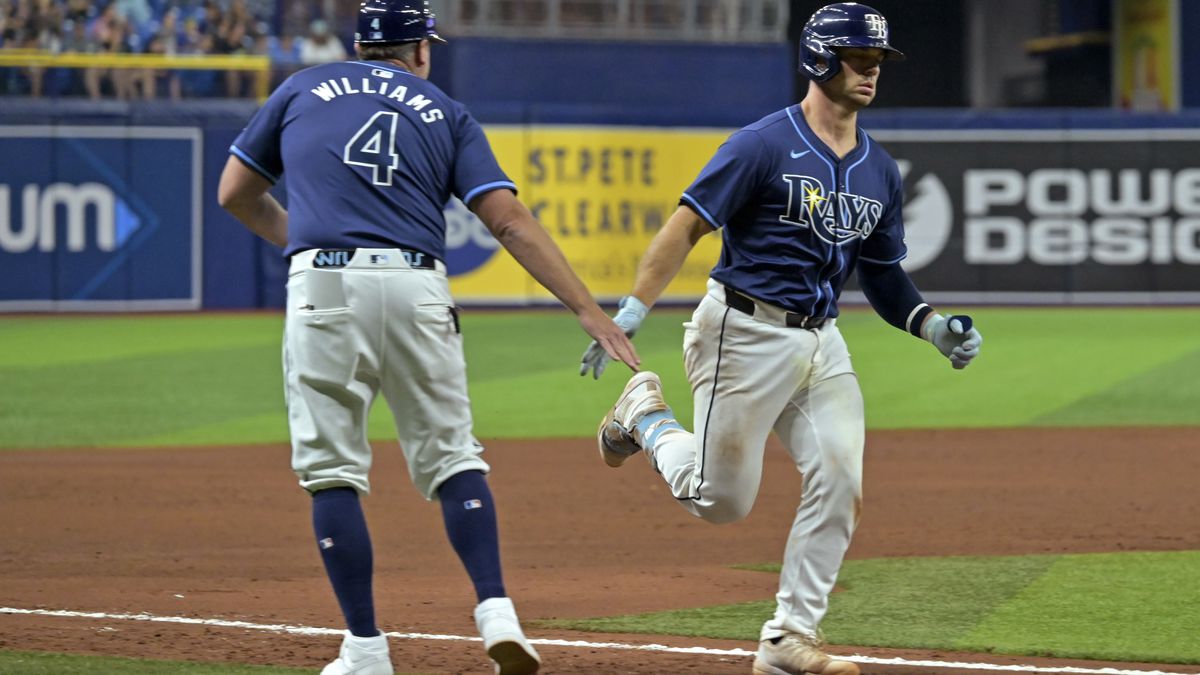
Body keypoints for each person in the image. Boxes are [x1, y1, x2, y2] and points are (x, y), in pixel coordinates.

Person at [217, 1, 639, 673]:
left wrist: (300, 240)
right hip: (417, 283)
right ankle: (497, 609)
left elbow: (235, 191)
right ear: (418, 50)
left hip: (323, 283)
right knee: (452, 458)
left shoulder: (301, 87)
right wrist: (587, 308)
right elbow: (509, 221)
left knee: (332, 471)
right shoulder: (444, 109)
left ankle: (364, 647)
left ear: (360, 45)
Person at [579, 4, 982, 675]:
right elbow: (685, 226)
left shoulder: (879, 169)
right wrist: (630, 309)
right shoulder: (763, 144)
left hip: (821, 341)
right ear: (820, 59)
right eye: (859, 59)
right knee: (720, 500)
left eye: (877, 61)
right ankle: (643, 416)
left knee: (841, 474)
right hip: (742, 330)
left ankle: (788, 636)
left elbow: (881, 275)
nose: (871, 72)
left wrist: (932, 324)